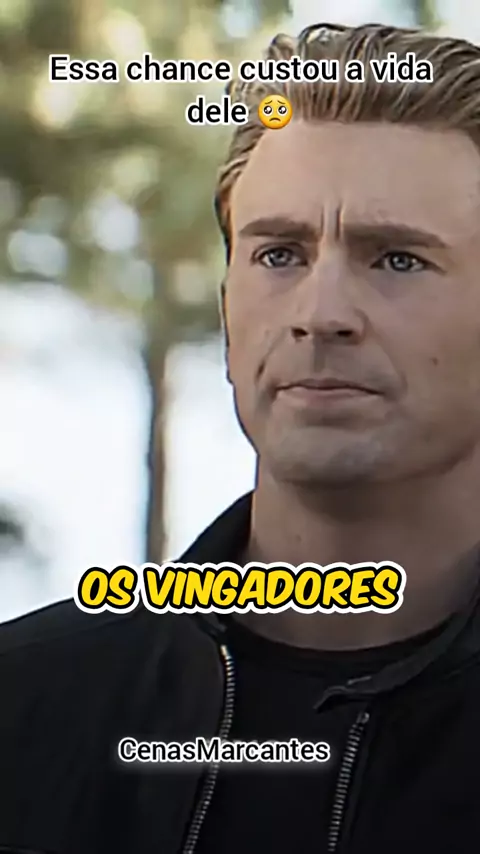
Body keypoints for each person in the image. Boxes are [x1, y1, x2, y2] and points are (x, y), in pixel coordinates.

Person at [2, 19, 480, 854]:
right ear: (228, 309)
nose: (320, 315)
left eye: (397, 259)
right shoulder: (25, 706)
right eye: (280, 255)